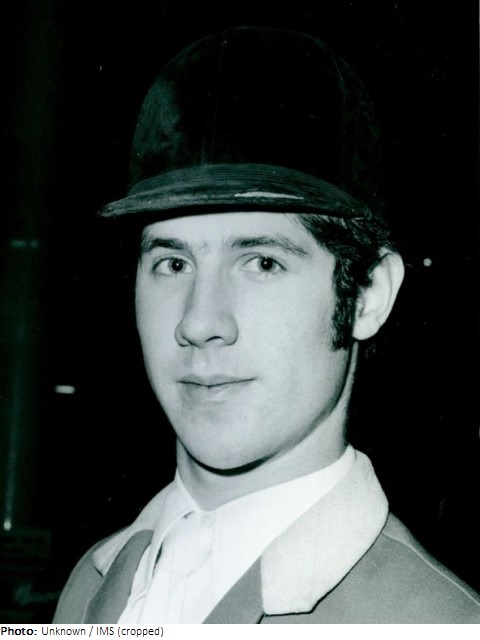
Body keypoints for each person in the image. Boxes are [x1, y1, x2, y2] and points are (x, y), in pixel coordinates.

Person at [53, 27, 480, 624]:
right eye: (173, 263)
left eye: (262, 262)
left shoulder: (433, 623)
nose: (200, 322)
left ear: (368, 296)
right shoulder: (89, 585)